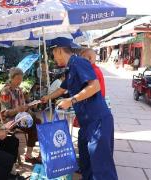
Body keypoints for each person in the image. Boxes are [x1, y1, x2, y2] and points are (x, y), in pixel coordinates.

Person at [41, 37, 117, 180]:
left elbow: (95, 86)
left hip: (98, 120)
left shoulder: (79, 62)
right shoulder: (70, 68)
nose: (53, 58)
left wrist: (71, 100)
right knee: (85, 163)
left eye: (53, 54)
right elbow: (62, 89)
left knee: (101, 166)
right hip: (86, 122)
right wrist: (47, 98)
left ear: (59, 50)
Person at [0, 67, 41, 164]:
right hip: (10, 121)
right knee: (34, 126)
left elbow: (23, 107)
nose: (19, 81)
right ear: (11, 78)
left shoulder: (19, 90)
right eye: (17, 79)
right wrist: (18, 109)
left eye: (21, 79)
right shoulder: (5, 91)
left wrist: (30, 106)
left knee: (38, 122)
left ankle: (31, 154)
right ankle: (29, 155)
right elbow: (5, 113)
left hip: (21, 117)